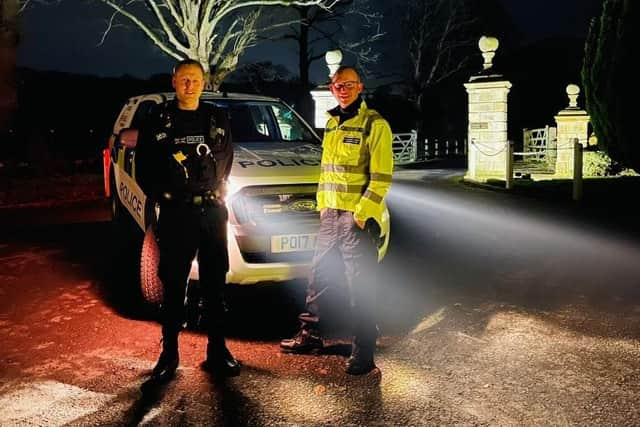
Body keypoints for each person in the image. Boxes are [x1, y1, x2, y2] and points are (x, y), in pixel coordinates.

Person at [280, 66, 393, 375]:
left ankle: (363, 353)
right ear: (331, 89)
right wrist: (322, 206)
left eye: (348, 85)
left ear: (360, 87)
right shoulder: (331, 123)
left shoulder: (374, 124)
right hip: (330, 214)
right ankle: (310, 336)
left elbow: (382, 178)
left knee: (359, 284)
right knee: (319, 276)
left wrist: (361, 214)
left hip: (354, 219)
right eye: (337, 85)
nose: (342, 89)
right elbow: (327, 171)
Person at [135, 59, 240, 381]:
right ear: (174, 81)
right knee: (174, 283)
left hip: (212, 214)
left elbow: (227, 160)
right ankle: (169, 354)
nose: (189, 85)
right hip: (176, 215)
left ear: (203, 81)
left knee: (214, 284)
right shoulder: (158, 118)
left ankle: (217, 350)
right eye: (184, 79)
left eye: (195, 79)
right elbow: (145, 169)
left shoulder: (216, 117)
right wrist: (169, 197)